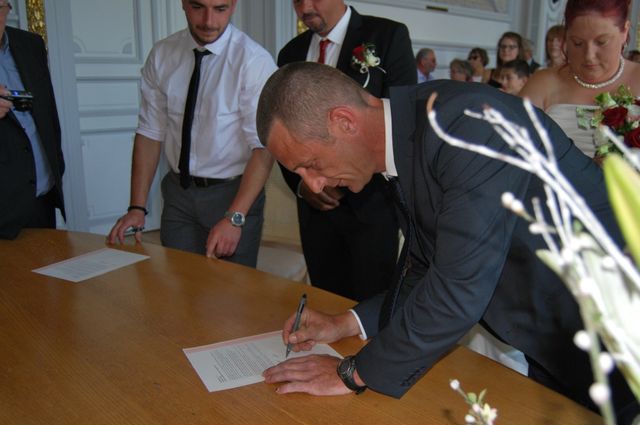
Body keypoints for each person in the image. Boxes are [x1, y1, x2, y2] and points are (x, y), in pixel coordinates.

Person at [257, 62, 637, 425]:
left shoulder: (468, 127)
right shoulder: (413, 134)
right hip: (558, 339)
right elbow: (427, 265)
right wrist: (348, 322)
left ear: (344, 121)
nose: (315, 185)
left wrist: (353, 373)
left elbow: (458, 287)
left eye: (311, 164)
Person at [107, 0, 276, 267]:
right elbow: (150, 133)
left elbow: (263, 147)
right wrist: (136, 207)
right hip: (178, 195)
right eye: (198, 7)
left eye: (220, 9)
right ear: (184, 3)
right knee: (181, 291)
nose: (209, 21)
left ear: (233, 6)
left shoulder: (253, 61)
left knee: (232, 297)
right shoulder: (163, 54)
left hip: (231, 194)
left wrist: (235, 217)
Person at [276, 0, 416, 300]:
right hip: (317, 212)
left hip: (372, 206)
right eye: (297, 0)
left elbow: (401, 123)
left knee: (371, 305)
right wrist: (302, 185)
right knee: (326, 303)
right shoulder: (291, 53)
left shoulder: (387, 36)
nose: (305, 7)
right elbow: (281, 132)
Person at [520, 0, 640, 160]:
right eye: (577, 43)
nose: (589, 55)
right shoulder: (543, 83)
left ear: (624, 31)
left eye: (601, 42)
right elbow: (512, 152)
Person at [0, 1, 66, 240]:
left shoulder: (30, 45)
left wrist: (57, 165)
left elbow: (47, 110)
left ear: (7, 8)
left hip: (41, 196)